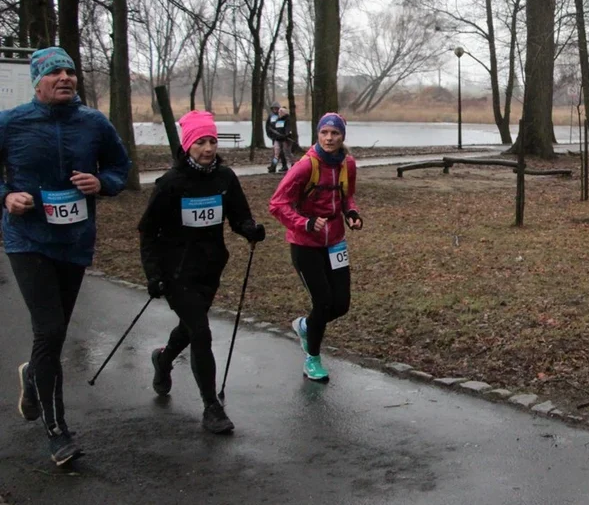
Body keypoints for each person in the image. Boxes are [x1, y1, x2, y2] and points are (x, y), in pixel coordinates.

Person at [1, 46, 131, 465]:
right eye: (54, 72)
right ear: (37, 80)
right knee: (50, 330)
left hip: (74, 241)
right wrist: (7, 197)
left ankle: (35, 379)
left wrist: (102, 183)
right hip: (28, 240)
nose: (64, 78)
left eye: (70, 71)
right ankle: (57, 431)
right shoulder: (11, 123)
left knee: (53, 333)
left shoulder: (93, 123)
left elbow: (119, 166)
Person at [138, 111, 266, 434]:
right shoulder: (170, 183)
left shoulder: (224, 178)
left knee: (190, 327)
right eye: (200, 142)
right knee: (201, 332)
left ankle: (164, 360)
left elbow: (238, 217)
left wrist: (250, 229)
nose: (208, 148)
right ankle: (211, 407)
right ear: (187, 145)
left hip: (209, 268)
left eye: (212, 140)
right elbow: (148, 232)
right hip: (175, 273)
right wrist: (153, 274)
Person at [269, 113, 362, 383]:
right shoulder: (305, 166)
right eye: (324, 133)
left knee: (341, 304)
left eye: (335, 133)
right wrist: (305, 223)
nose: (329, 138)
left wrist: (352, 213)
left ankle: (306, 326)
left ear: (343, 136)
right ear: (318, 135)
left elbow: (348, 196)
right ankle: (313, 359)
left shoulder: (348, 164)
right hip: (305, 244)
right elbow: (277, 204)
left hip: (335, 243)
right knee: (322, 302)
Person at [272, 107, 294, 173]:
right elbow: (275, 129)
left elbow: (288, 129)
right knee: (276, 153)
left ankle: (293, 164)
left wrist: (286, 135)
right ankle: (273, 166)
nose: (280, 113)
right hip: (277, 139)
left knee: (287, 152)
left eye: (281, 112)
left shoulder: (287, 120)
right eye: (279, 112)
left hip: (285, 139)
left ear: (285, 113)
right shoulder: (277, 120)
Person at [266, 102, 283, 173]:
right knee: (276, 153)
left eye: (277, 108)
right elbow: (268, 126)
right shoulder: (271, 116)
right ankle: (273, 165)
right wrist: (270, 135)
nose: (275, 109)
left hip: (281, 137)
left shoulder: (281, 116)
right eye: (274, 108)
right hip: (274, 137)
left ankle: (278, 166)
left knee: (281, 153)